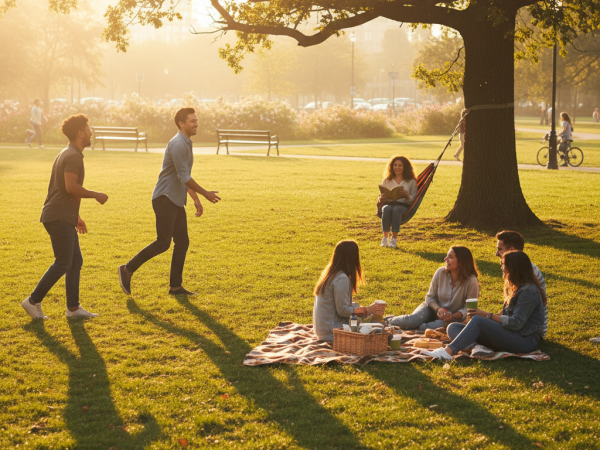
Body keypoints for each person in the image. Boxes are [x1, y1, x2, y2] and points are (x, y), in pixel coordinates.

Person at [118, 108, 220, 296]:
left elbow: (184, 175)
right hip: (165, 198)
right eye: (192, 121)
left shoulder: (186, 143)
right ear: (181, 123)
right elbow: (183, 176)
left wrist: (196, 199)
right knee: (163, 242)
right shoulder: (178, 144)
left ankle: (175, 287)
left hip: (174, 199)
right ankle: (127, 269)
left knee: (182, 242)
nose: (196, 124)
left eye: (196, 120)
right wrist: (204, 193)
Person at [21, 114, 108, 320]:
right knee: (63, 262)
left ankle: (73, 308)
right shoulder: (73, 156)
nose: (90, 132)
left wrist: (76, 216)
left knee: (75, 261)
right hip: (58, 217)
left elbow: (63, 189)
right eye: (88, 129)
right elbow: (70, 187)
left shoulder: (67, 153)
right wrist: (95, 194)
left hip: (61, 215)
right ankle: (33, 301)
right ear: (80, 133)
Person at [423, 251, 546, 360]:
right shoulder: (515, 287)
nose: (501, 268)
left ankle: (448, 352)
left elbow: (516, 323)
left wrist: (486, 316)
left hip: (525, 341)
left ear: (514, 268)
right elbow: (504, 314)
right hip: (510, 335)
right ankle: (478, 348)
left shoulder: (528, 291)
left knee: (479, 320)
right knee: (453, 327)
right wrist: (479, 323)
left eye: (503, 264)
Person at [387, 246, 480, 331]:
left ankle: (418, 327)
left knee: (426, 328)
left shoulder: (471, 281)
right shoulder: (440, 272)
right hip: (432, 308)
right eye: (447, 256)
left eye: (450, 257)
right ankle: (387, 321)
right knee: (411, 321)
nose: (445, 259)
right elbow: (429, 297)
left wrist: (453, 316)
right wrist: (438, 308)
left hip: (452, 318)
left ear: (461, 262)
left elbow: (469, 308)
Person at [312, 240, 386, 342]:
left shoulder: (331, 274)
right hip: (331, 333)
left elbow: (341, 306)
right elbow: (342, 310)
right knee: (377, 333)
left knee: (374, 326)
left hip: (324, 330)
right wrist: (368, 310)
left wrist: (366, 309)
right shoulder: (341, 279)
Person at [495, 230, 547, 340]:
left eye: (500, 249)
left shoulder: (527, 273)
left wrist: (489, 317)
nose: (496, 253)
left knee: (479, 325)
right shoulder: (516, 270)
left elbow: (519, 318)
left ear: (511, 250)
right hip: (513, 326)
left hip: (527, 332)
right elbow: (510, 308)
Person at [378, 155, 418, 249]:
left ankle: (394, 239)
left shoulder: (411, 181)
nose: (397, 167)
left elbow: (414, 198)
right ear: (392, 167)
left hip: (403, 205)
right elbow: (381, 196)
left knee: (396, 209)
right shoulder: (387, 180)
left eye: (400, 165)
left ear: (405, 167)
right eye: (395, 165)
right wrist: (381, 198)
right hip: (389, 203)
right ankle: (385, 238)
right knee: (387, 208)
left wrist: (407, 195)